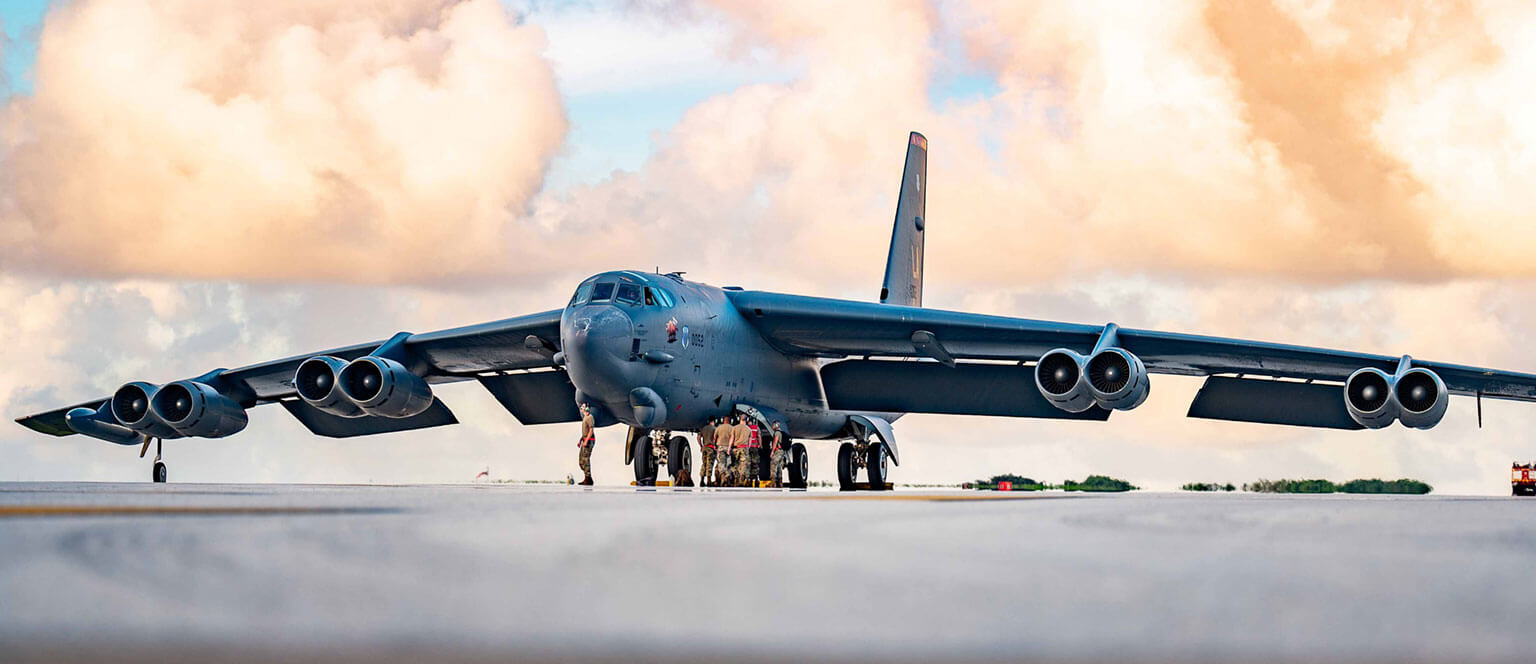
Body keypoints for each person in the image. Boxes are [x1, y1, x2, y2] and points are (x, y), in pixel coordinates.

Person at [739, 415, 761, 487]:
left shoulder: (746, 428)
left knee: (748, 463)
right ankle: (756, 479)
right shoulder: (756, 428)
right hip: (755, 447)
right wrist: (760, 445)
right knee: (755, 463)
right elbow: (759, 436)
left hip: (747, 447)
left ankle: (748, 479)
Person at [576, 404, 596, 486]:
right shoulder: (585, 418)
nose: (581, 408)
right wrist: (580, 440)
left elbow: (591, 430)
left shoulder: (590, 417)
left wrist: (586, 441)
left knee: (586, 459)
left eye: (583, 407)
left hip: (589, 441)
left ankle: (588, 479)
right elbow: (585, 431)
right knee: (581, 461)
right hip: (584, 440)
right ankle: (586, 477)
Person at [698, 417, 718, 487]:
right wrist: (715, 445)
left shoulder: (704, 428)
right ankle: (709, 481)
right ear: (713, 421)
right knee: (710, 464)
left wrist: (701, 445)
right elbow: (715, 438)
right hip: (711, 448)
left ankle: (702, 480)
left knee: (704, 463)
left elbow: (699, 437)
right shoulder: (714, 429)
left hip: (705, 448)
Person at [769, 421, 787, 488]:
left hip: (777, 451)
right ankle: (780, 483)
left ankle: (773, 483)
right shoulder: (782, 432)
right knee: (779, 467)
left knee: (773, 465)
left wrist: (772, 451)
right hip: (782, 451)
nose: (772, 426)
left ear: (776, 425)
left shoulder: (777, 433)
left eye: (773, 425)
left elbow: (775, 442)